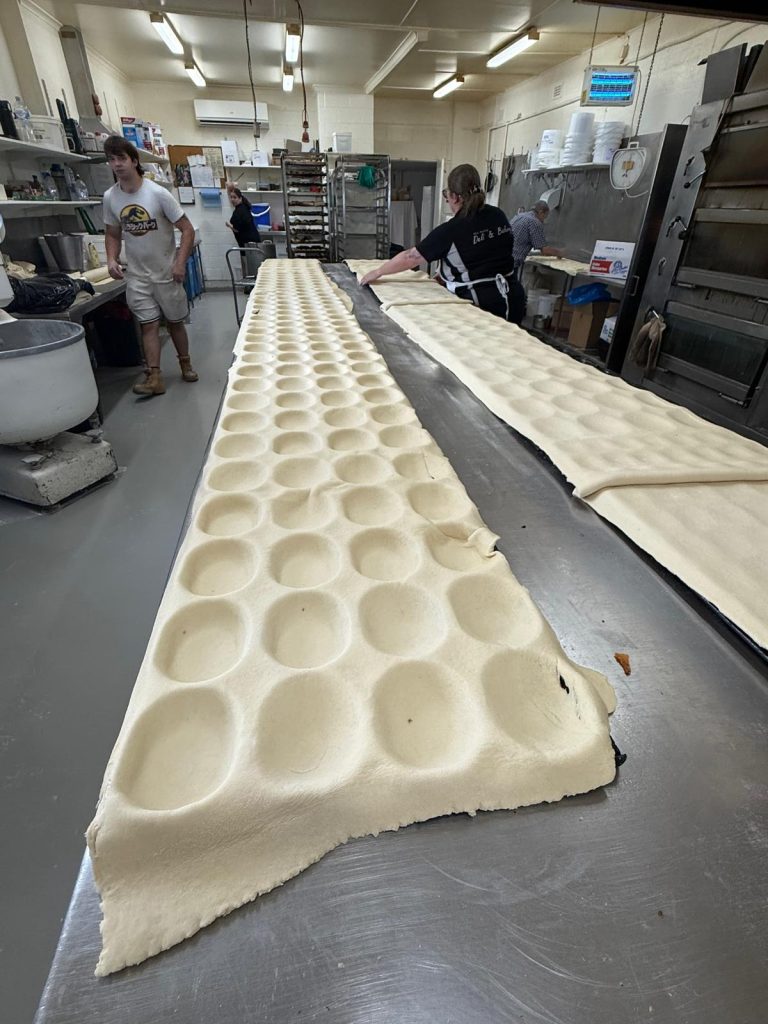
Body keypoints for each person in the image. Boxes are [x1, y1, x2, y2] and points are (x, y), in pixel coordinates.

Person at [360, 164, 525, 324]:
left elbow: (411, 257)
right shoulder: (498, 214)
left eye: (447, 195)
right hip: (513, 298)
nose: (447, 201)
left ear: (455, 197)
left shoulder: (452, 229)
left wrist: (378, 272)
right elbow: (487, 253)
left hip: (481, 307)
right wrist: (448, 275)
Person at [103, 135, 198, 397]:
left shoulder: (157, 194)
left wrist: (179, 263)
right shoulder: (110, 197)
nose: (117, 164)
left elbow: (187, 229)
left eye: (121, 158)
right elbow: (112, 233)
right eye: (112, 159)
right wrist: (111, 259)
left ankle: (185, 364)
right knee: (149, 324)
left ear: (134, 161)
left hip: (166, 272)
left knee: (175, 322)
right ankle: (154, 377)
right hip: (137, 275)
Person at [510, 201, 563, 275]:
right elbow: (545, 251)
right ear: (541, 212)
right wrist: (560, 253)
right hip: (511, 262)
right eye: (544, 217)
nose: (543, 220)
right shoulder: (535, 222)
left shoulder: (519, 216)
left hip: (503, 256)